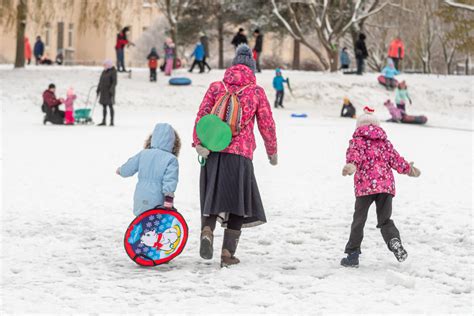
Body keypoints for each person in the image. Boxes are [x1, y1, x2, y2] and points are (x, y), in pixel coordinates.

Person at [192, 44, 278, 268]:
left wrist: (199, 143)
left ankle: (207, 231)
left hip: (213, 151)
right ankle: (227, 254)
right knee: (238, 202)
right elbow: (267, 124)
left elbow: (202, 115)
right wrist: (272, 151)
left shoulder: (216, 87)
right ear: (252, 69)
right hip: (240, 155)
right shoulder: (256, 91)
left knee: (212, 197)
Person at [341, 107, 421, 267]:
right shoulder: (385, 143)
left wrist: (351, 166)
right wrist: (409, 169)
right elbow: (396, 160)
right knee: (385, 220)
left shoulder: (357, 141)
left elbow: (354, 157)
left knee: (359, 220)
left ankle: (352, 255)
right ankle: (394, 241)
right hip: (386, 187)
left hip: (365, 187)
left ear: (358, 126)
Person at [117, 123, 180, 216]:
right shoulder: (171, 159)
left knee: (142, 220)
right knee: (156, 223)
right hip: (157, 198)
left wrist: (121, 170)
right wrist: (169, 198)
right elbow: (170, 180)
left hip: (141, 195)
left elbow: (130, 166)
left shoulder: (143, 154)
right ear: (173, 142)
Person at [96, 59, 117, 126]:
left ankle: (111, 121)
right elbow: (100, 81)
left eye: (105, 65)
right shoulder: (104, 71)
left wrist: (111, 90)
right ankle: (104, 121)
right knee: (104, 106)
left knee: (110, 106)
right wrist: (98, 89)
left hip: (109, 92)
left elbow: (114, 82)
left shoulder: (113, 71)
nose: (104, 66)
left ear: (108, 65)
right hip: (103, 91)